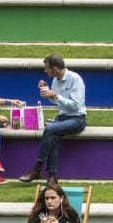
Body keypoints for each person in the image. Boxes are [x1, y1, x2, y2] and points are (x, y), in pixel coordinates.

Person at [18, 55, 87, 183]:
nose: (45, 71)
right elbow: (57, 101)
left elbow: (76, 106)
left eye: (46, 68)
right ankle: (52, 177)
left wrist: (56, 95)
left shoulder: (74, 79)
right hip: (62, 117)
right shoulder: (55, 80)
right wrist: (46, 91)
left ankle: (37, 169)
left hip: (77, 119)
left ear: (55, 68)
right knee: (53, 137)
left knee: (49, 129)